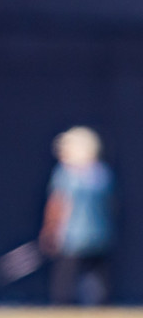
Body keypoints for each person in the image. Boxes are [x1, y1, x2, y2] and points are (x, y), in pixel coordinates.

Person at [41, 126, 114, 306]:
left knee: (66, 279)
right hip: (99, 235)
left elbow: (58, 204)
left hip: (71, 237)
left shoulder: (66, 174)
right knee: (97, 279)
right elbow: (111, 204)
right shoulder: (102, 173)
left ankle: (63, 309)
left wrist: (50, 230)